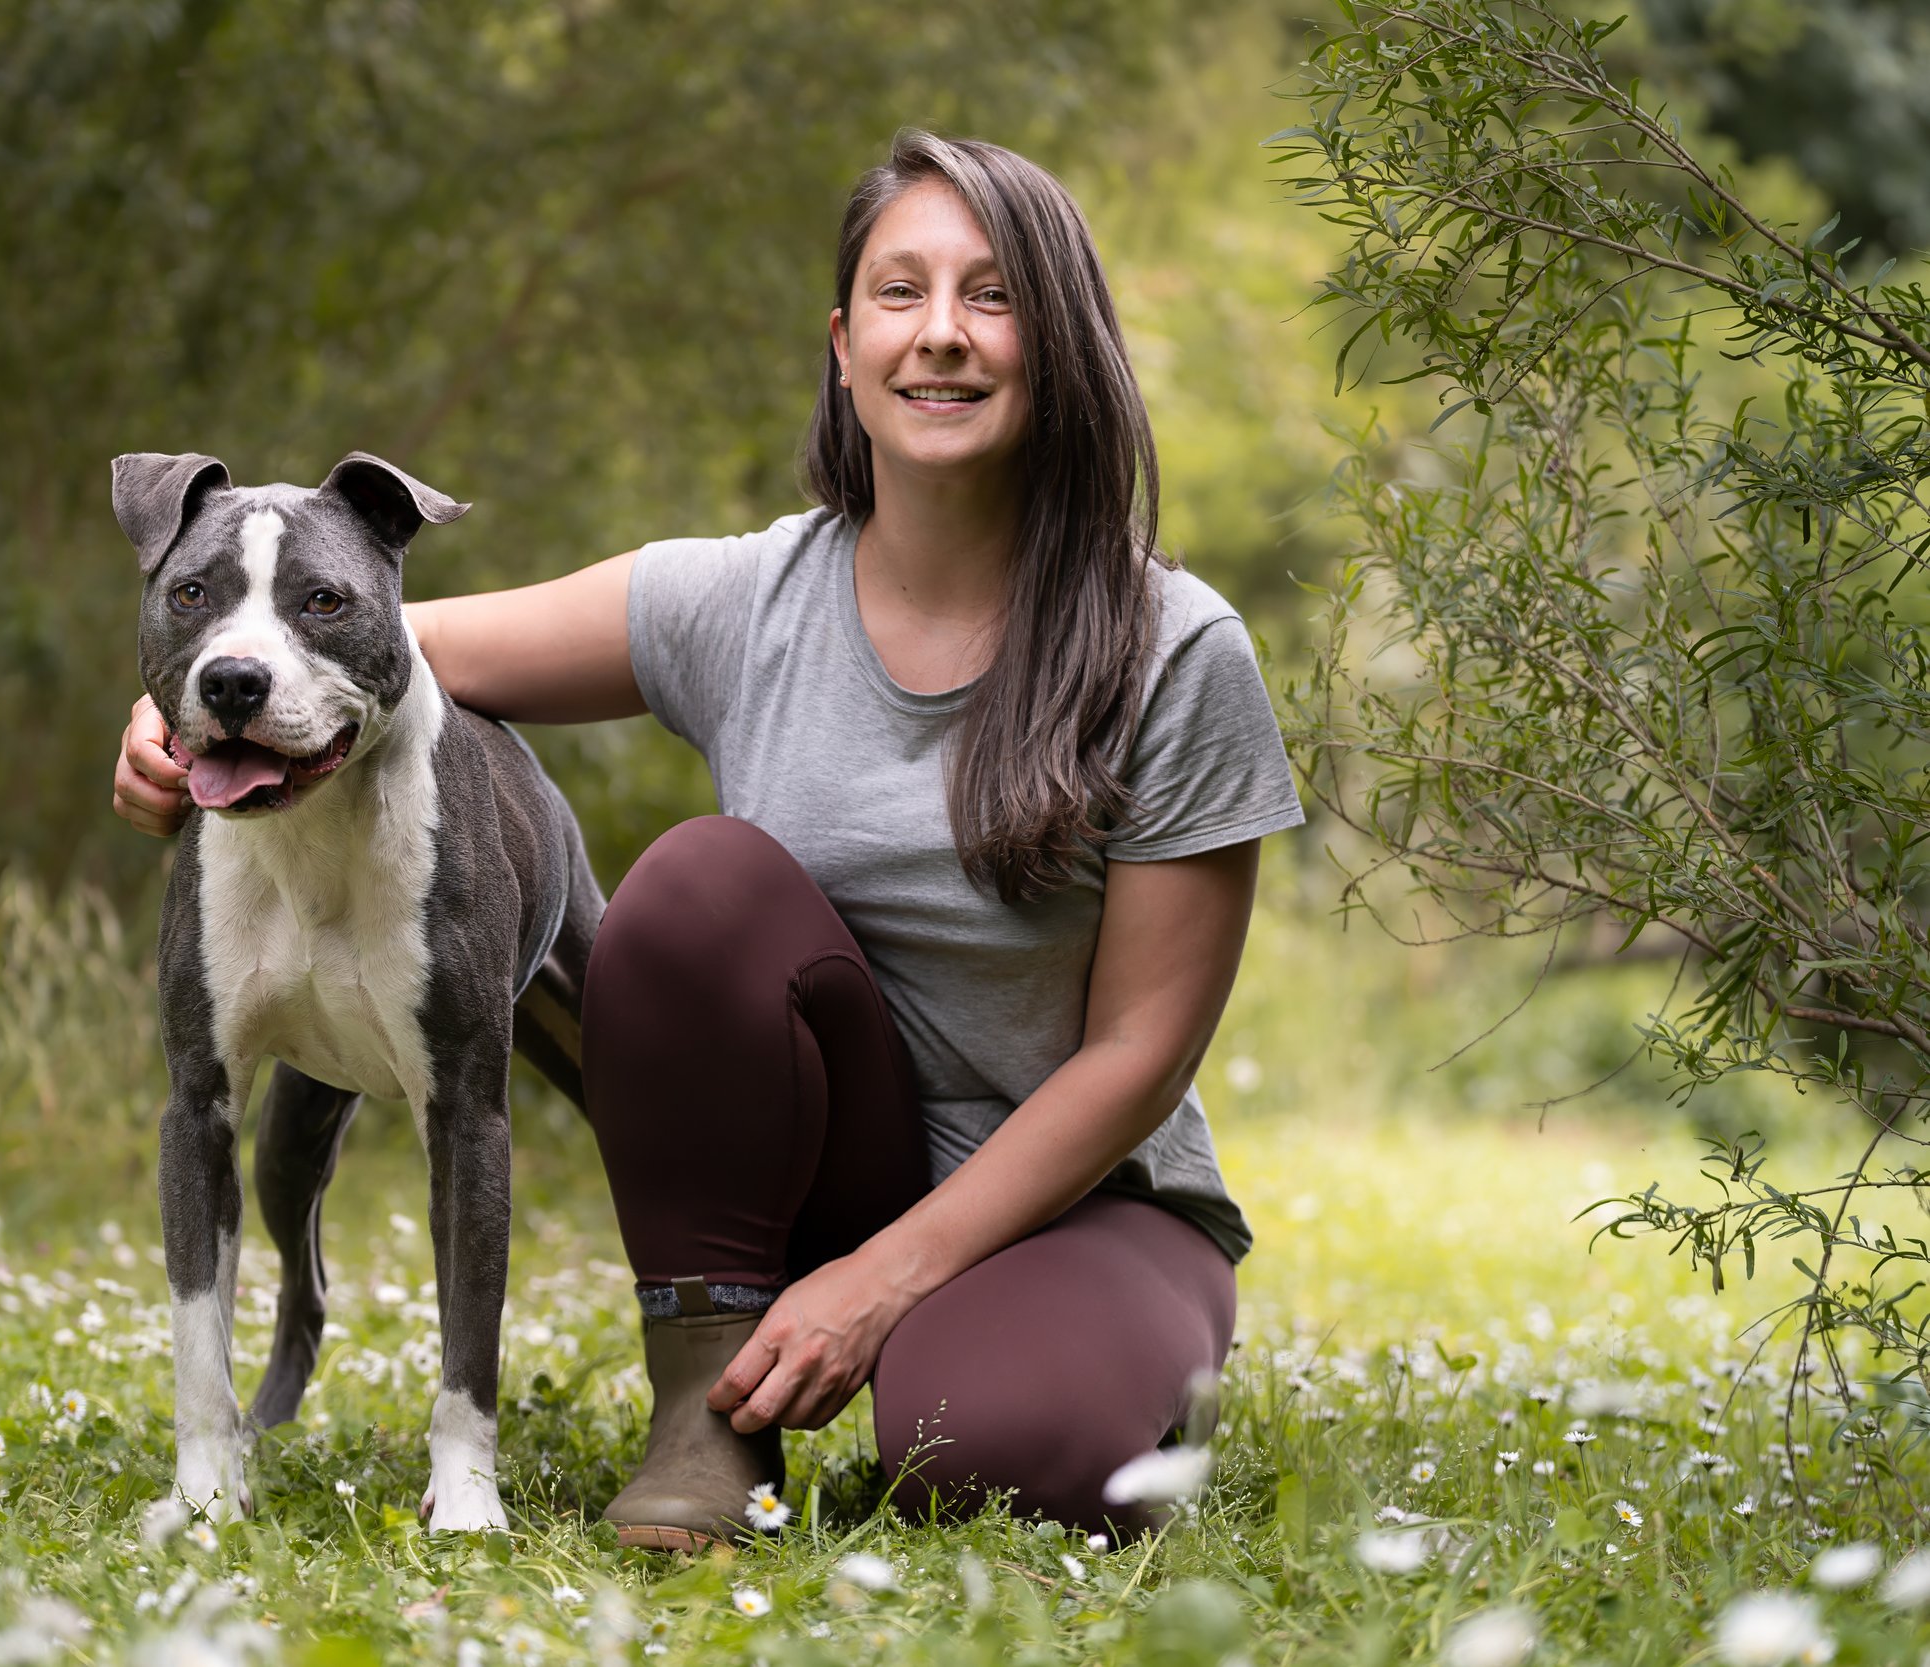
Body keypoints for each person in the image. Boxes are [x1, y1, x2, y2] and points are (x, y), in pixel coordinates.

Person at [111, 130, 1305, 1546]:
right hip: (821, 1167)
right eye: (899, 292)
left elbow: (1136, 1058)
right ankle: (708, 1418)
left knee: (998, 1463)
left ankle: (1120, 1355)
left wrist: (883, 1282)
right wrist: (198, 708)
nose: (941, 335)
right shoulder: (743, 596)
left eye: (993, 297)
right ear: (844, 345)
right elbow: (380, 638)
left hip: (1082, 1196)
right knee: (696, 888)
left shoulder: (1179, 648)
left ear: (1065, 342)